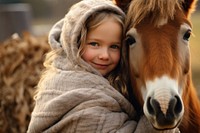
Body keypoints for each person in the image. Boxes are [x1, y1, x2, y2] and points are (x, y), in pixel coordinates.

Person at [27, 0, 179, 132]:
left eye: (114, 47)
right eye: (94, 44)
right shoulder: (67, 87)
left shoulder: (115, 82)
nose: (104, 55)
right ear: (75, 43)